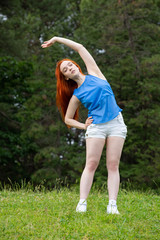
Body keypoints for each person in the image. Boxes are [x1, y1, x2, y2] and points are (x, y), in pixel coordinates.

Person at [41, 36, 127, 214]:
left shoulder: (95, 72)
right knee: (91, 164)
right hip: (97, 127)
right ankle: (82, 203)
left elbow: (80, 47)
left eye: (70, 65)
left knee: (113, 165)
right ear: (65, 77)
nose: (69, 68)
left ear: (76, 65)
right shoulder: (77, 95)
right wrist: (84, 126)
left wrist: (56, 39)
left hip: (116, 123)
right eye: (65, 69)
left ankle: (112, 205)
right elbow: (67, 119)